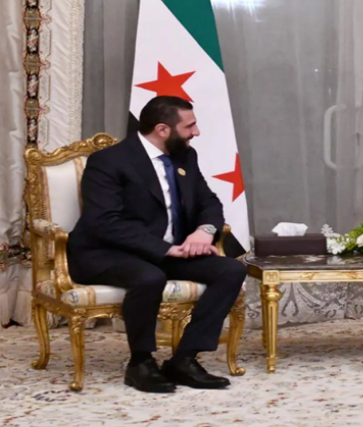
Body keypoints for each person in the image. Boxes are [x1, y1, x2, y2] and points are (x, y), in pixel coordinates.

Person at [67, 95, 247, 393]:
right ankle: (140, 363)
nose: (196, 132)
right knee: (149, 277)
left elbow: (208, 201)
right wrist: (166, 249)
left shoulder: (185, 156)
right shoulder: (109, 161)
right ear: (163, 129)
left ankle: (184, 359)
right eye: (189, 126)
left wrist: (204, 231)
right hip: (109, 253)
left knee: (230, 270)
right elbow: (104, 222)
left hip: (167, 252)